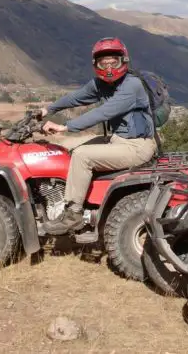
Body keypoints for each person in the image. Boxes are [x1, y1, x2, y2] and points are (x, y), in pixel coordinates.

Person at [38, 37, 158, 235]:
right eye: (104, 63)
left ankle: (74, 213)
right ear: (96, 64)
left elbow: (103, 112)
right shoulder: (100, 84)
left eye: (114, 62)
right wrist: (47, 109)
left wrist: (64, 127)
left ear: (123, 61)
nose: (109, 68)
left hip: (137, 146)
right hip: (119, 140)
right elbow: (75, 97)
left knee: (82, 156)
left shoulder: (132, 85)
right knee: (72, 152)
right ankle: (82, 202)